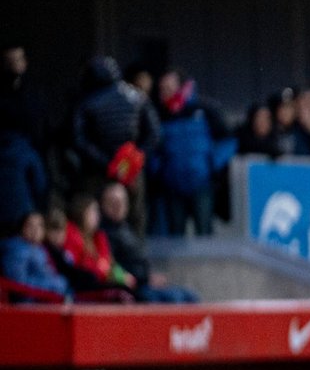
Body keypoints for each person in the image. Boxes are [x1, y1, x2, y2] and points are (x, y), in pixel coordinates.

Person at [70, 57, 160, 236]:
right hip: (130, 168)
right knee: (135, 216)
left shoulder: (87, 101)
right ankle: (136, 250)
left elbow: (78, 139)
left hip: (98, 171)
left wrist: (108, 163)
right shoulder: (137, 96)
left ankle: (98, 252)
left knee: (93, 217)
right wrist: (133, 158)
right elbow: (155, 134)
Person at [149, 68, 229, 237]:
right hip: (173, 185)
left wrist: (212, 164)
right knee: (175, 235)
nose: (164, 93)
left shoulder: (204, 109)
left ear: (180, 87)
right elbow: (153, 148)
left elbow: (228, 140)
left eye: (168, 88)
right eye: (162, 89)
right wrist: (159, 170)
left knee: (204, 233)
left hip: (201, 183)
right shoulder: (159, 114)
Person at [100, 182, 198, 303]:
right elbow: (112, 267)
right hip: (132, 288)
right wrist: (145, 279)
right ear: (103, 205)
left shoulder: (126, 228)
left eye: (122, 201)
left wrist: (149, 277)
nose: (118, 206)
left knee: (189, 296)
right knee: (174, 299)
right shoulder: (103, 234)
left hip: (145, 283)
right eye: (113, 202)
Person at [2, 213, 69, 300]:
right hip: (29, 303)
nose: (35, 230)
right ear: (22, 228)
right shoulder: (16, 251)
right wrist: (55, 284)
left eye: (40, 226)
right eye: (30, 226)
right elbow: (19, 285)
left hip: (48, 299)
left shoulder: (40, 248)